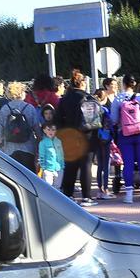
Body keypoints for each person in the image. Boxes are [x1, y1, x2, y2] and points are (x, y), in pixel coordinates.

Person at [111, 74, 140, 204]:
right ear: (134, 84)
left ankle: (129, 195)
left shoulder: (118, 98)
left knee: (128, 164)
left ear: (123, 84)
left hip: (125, 135)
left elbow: (114, 119)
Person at [56, 70, 98, 207]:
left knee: (70, 166)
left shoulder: (64, 99)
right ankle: (87, 197)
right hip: (87, 136)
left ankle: (68, 195)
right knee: (86, 166)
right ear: (83, 83)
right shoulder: (89, 98)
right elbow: (95, 121)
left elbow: (57, 120)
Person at [0, 81, 39, 171]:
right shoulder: (29, 108)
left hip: (9, 149)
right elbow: (37, 129)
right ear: (22, 93)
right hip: (28, 148)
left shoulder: (5, 108)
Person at [92, 89, 115, 200]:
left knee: (99, 165)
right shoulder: (105, 110)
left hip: (96, 139)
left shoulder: (92, 109)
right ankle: (106, 189)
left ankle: (99, 190)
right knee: (106, 165)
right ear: (104, 98)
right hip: (105, 139)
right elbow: (110, 124)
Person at [38, 123, 65, 188]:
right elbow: (42, 156)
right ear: (44, 130)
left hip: (58, 168)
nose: (51, 132)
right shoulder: (43, 142)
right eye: (48, 129)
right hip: (48, 169)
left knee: (57, 187)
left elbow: (61, 154)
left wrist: (62, 166)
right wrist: (44, 168)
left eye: (53, 130)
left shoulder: (58, 141)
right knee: (48, 188)